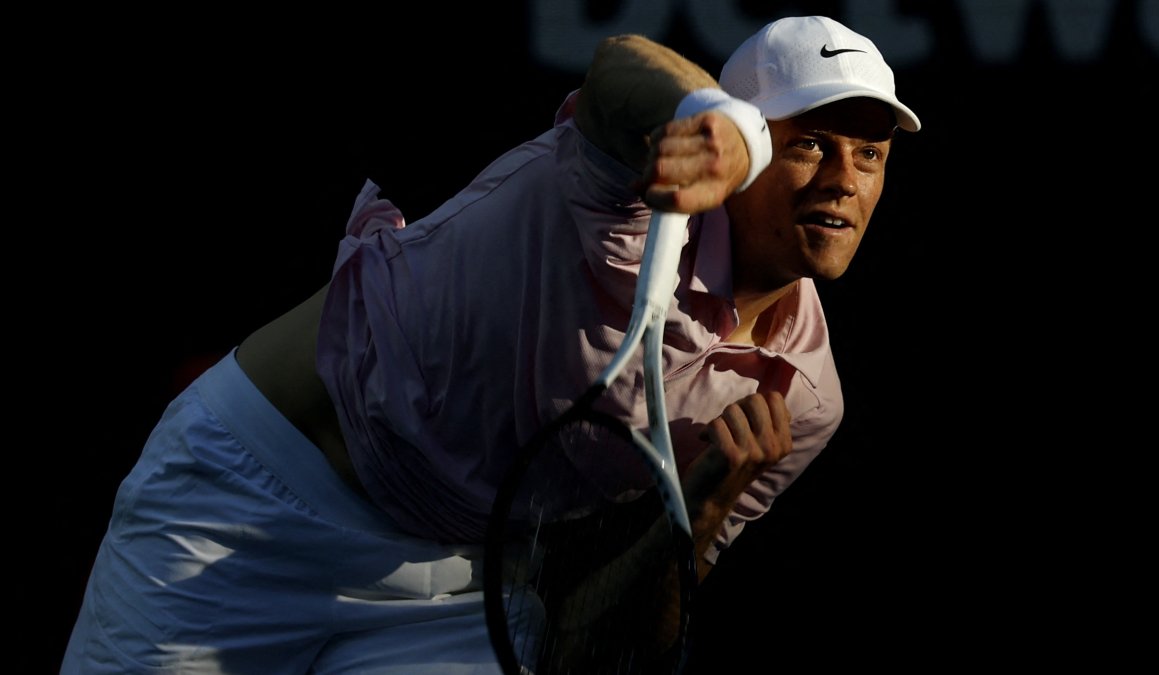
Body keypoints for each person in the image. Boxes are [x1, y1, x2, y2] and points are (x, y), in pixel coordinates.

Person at [62, 15, 919, 674]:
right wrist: (715, 125)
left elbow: (601, 645)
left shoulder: (803, 399)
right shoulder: (630, 194)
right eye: (808, 145)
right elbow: (622, 68)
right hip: (242, 513)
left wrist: (692, 517)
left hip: (463, 584)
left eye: (869, 156)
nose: (844, 180)